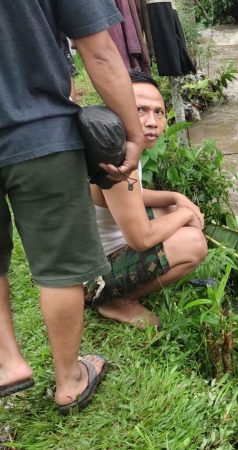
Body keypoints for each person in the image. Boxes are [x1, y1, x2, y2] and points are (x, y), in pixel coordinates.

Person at [0, 2, 144, 414]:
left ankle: (8, 363)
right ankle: (70, 379)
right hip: (41, 132)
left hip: (39, 131)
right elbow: (97, 49)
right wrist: (131, 132)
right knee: (59, 265)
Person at [85, 69, 208, 329]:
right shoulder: (116, 158)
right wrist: (186, 214)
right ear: (119, 110)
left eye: (158, 112)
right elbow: (141, 240)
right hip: (90, 276)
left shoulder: (124, 144)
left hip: (100, 250)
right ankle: (114, 300)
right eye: (140, 110)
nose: (152, 121)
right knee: (193, 242)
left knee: (171, 207)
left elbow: (130, 197)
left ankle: (122, 287)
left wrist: (177, 197)